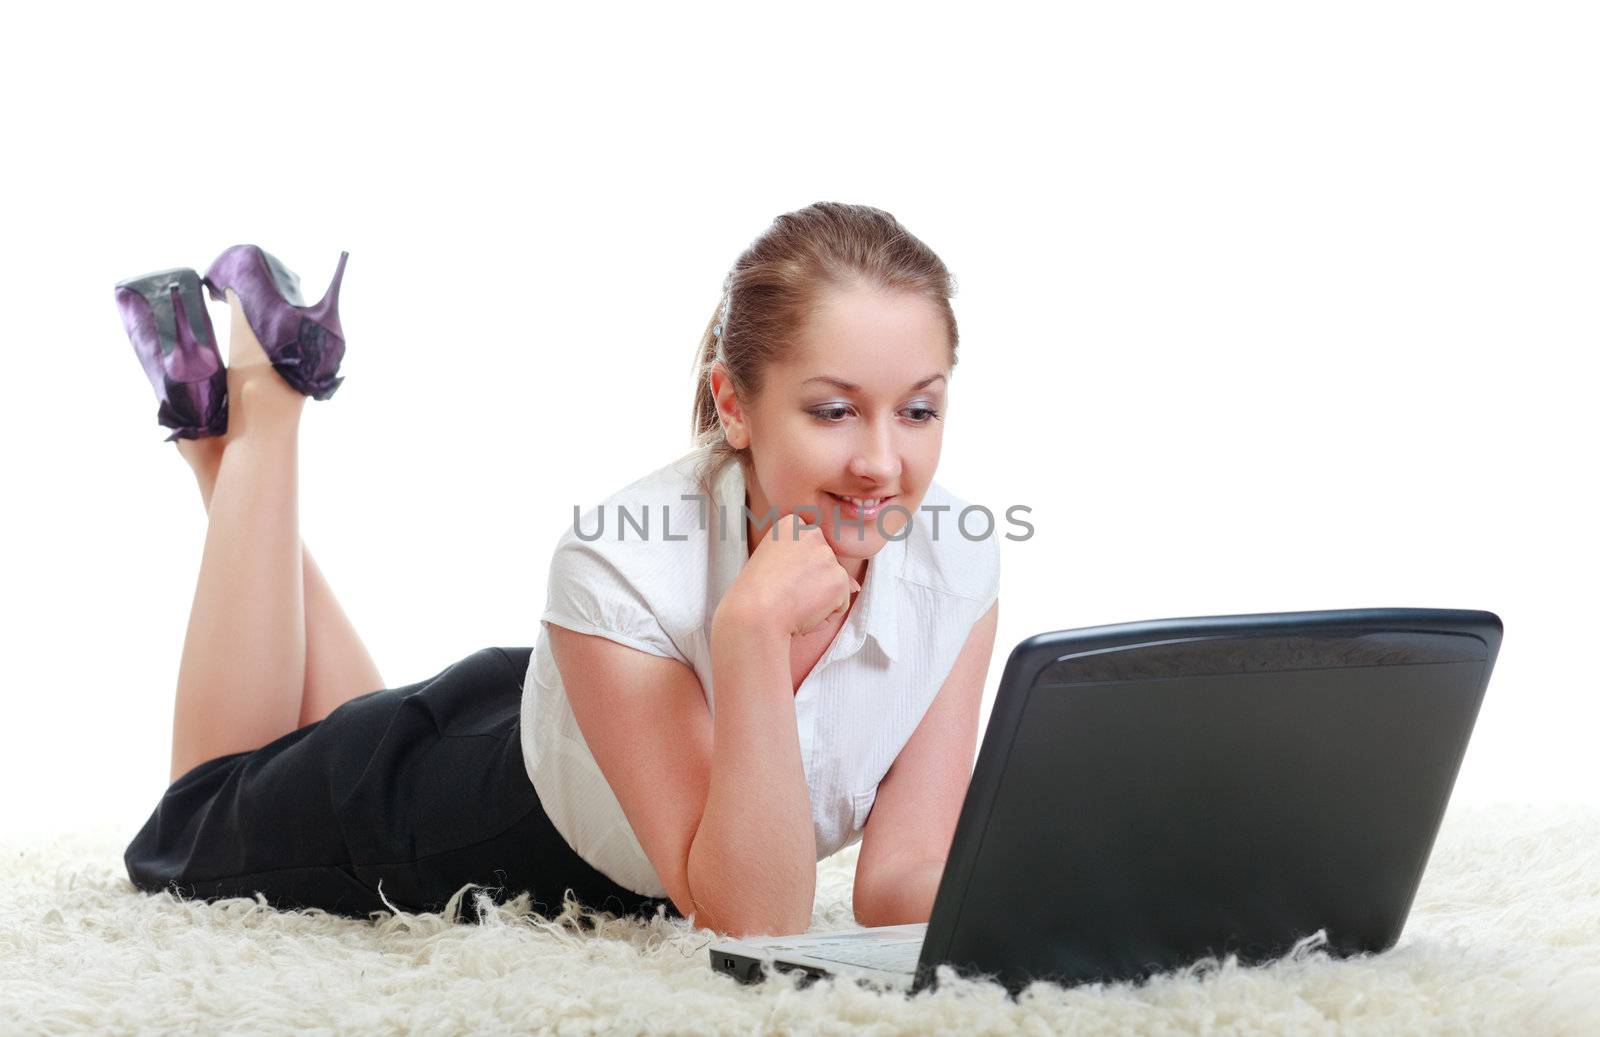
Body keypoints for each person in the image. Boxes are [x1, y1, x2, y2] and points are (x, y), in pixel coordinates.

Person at [118, 202, 1001, 938]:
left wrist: (1096, 893)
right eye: (836, 409)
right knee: (191, 820)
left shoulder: (953, 556)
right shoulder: (618, 558)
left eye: (919, 409)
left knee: (341, 722)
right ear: (734, 403)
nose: (884, 464)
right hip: (455, 814)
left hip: (570, 712)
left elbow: (904, 878)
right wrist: (749, 633)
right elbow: (754, 921)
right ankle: (269, 406)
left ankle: (209, 438)